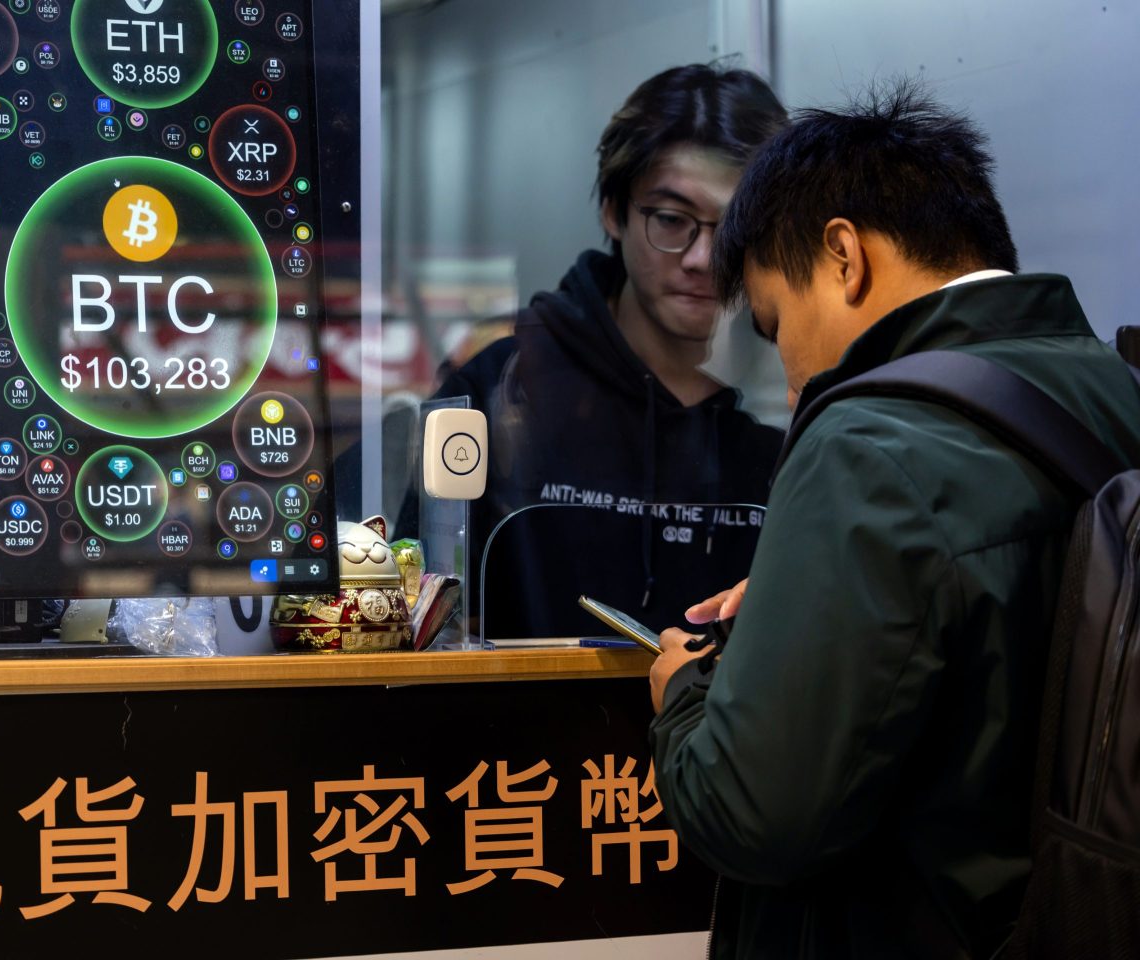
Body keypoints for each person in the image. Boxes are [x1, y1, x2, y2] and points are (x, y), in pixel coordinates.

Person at [647, 84, 1140, 958]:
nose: (794, 381)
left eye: (777, 323)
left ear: (843, 256)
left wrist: (682, 691)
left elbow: (752, 816)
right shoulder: (1113, 389)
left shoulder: (867, 442)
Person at [405, 64, 789, 638]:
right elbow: (424, 608)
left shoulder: (784, 396)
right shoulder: (509, 385)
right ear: (613, 210)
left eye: (734, 227)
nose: (703, 258)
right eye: (671, 219)